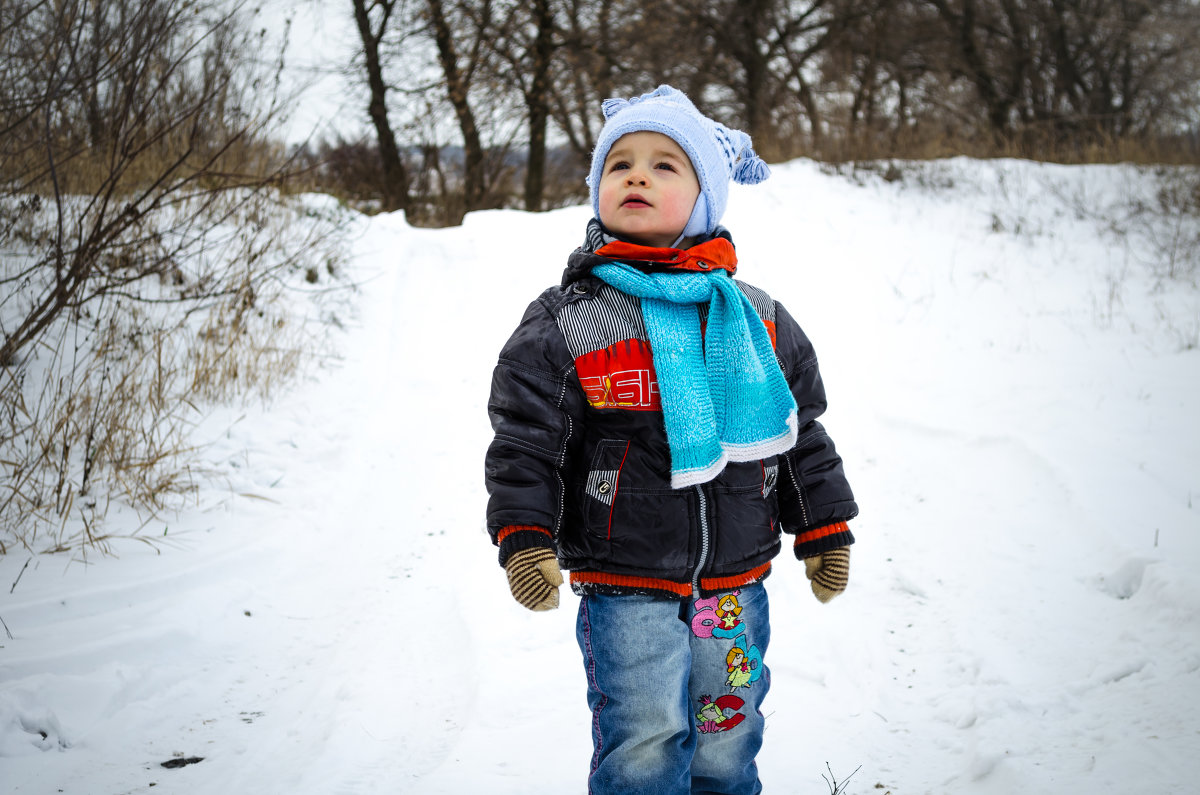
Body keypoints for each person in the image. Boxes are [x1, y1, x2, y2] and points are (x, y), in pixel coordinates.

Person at [484, 85, 858, 795]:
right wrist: (526, 535)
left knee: (728, 731)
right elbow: (526, 437)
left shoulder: (757, 319)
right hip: (625, 580)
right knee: (645, 740)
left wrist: (825, 526)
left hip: (735, 581)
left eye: (664, 165)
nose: (636, 176)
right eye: (619, 163)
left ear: (706, 198)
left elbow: (800, 429)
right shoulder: (572, 319)